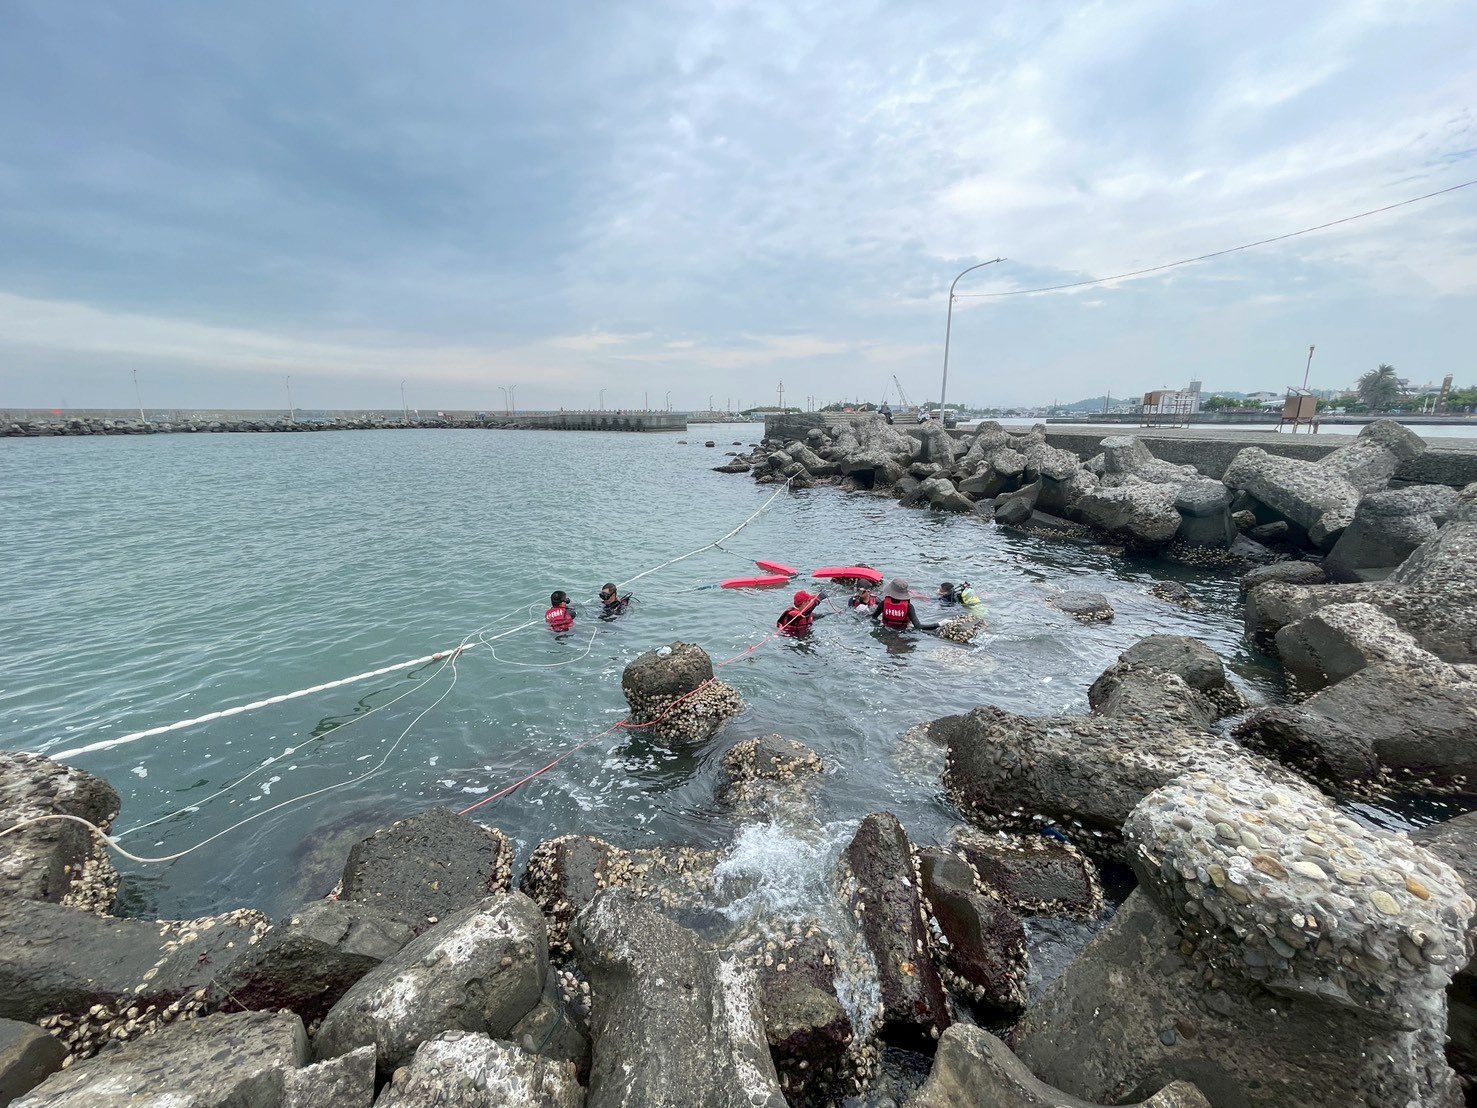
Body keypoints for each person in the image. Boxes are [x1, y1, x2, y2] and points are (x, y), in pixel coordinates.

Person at [871, 578, 938, 631]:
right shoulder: (909, 606)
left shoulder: (883, 603)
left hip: (886, 631)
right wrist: (938, 624)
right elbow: (918, 626)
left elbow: (873, 617)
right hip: (903, 632)